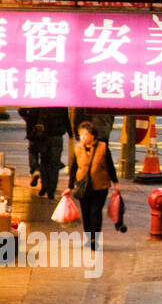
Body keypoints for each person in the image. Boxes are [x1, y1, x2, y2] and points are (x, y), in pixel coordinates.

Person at [68, 121, 118, 250]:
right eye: (81, 135)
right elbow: (73, 168)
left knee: (95, 212)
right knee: (85, 213)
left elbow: (110, 166)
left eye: (85, 135)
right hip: (83, 186)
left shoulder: (103, 147)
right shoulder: (78, 148)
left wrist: (116, 183)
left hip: (100, 186)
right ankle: (88, 237)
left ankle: (94, 239)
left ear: (93, 136)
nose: (83, 138)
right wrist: (69, 186)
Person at [20, 107, 70, 199]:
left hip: (42, 136)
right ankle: (51, 191)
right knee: (54, 165)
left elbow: (23, 111)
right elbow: (66, 118)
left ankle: (44, 186)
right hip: (57, 136)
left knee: (44, 161)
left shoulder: (39, 100)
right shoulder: (61, 101)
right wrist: (71, 133)